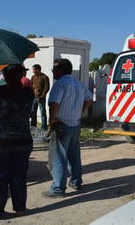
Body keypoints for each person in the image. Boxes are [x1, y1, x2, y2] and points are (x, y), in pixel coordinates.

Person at [0, 64, 34, 220]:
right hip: (23, 140)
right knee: (18, 176)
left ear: (4, 76)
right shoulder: (28, 93)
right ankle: (20, 209)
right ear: (22, 75)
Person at [42, 58, 93, 198]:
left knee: (58, 157)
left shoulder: (59, 84)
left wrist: (51, 119)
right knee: (73, 155)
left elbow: (54, 103)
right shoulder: (78, 84)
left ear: (61, 70)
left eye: (54, 69)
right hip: (75, 124)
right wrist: (80, 111)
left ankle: (58, 188)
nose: (53, 72)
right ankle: (76, 182)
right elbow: (89, 98)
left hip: (62, 124)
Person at [30, 64, 50, 130]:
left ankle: (44, 126)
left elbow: (46, 88)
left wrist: (41, 96)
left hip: (41, 98)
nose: (33, 71)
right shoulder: (33, 77)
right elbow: (30, 85)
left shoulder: (44, 77)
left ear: (38, 70)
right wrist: (33, 91)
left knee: (42, 112)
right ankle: (33, 126)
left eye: (34, 69)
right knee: (33, 112)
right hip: (34, 97)